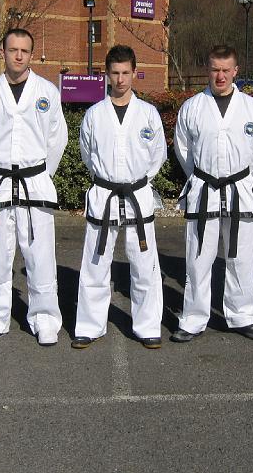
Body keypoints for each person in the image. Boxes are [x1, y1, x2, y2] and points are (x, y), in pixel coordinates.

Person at [0, 28, 68, 347]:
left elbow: (57, 140)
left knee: (40, 256)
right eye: (13, 50)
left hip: (34, 183)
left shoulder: (46, 92)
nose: (18, 56)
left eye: (24, 51)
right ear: (3, 52)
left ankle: (45, 319)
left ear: (32, 54)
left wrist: (39, 174)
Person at [172, 45, 253, 342]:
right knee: (198, 258)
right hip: (204, 188)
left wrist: (240, 178)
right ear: (208, 70)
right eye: (215, 69)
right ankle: (193, 318)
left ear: (236, 71)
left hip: (240, 187)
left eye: (226, 70)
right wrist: (202, 177)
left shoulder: (252, 109)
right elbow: (184, 151)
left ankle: (242, 315)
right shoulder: (192, 107)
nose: (220, 76)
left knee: (241, 256)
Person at [72, 45, 167, 349]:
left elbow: (158, 155)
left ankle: (147, 326)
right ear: (107, 74)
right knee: (95, 263)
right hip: (104, 193)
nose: (121, 79)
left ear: (134, 72)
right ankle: (89, 326)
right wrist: (108, 179)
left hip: (137, 193)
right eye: (115, 73)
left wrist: (138, 181)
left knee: (144, 265)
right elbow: (88, 155)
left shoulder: (148, 114)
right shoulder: (94, 115)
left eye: (126, 72)